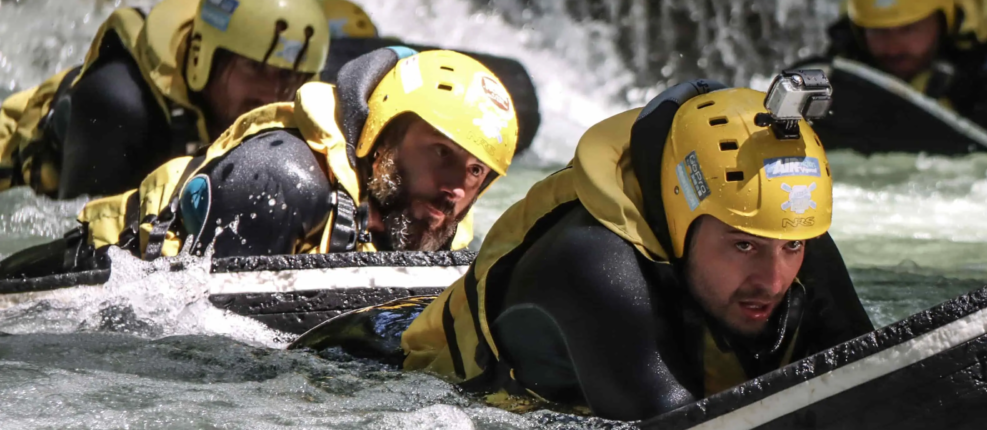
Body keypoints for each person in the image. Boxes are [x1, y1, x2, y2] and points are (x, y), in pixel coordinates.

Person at [291, 78, 875, 420]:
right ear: (680, 210)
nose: (774, 279)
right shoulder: (591, 262)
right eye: (744, 247)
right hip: (368, 372)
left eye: (792, 247)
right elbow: (673, 423)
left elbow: (872, 378)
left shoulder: (778, 229)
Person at [0, 48, 521, 278]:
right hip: (77, 279)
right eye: (442, 154)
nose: (457, 187)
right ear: (383, 133)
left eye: (476, 171)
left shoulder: (443, 235)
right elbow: (204, 353)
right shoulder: (281, 177)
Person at [0, 0, 330, 199]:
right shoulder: (121, 105)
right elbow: (81, 239)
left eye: (289, 75)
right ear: (204, 58)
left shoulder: (298, 114)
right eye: (255, 68)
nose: (273, 93)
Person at [815, 0, 987, 156]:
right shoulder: (846, 58)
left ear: (941, 19)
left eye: (908, 29)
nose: (894, 47)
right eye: (878, 32)